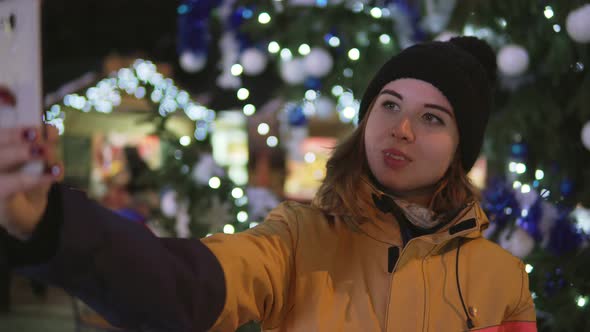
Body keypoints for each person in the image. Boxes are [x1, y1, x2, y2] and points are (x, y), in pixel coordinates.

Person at [0, 36, 537, 331]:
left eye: (433, 118)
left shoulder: (502, 279)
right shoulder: (297, 238)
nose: (400, 128)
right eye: (389, 104)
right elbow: (185, 286)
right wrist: (51, 224)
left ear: (460, 153)